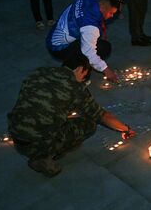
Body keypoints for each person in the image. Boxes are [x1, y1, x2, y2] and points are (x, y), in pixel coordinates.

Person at [7, 56, 136, 177]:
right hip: (38, 143)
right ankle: (43, 158)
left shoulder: (40, 72)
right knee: (89, 123)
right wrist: (126, 129)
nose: (83, 80)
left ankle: (44, 148)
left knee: (57, 115)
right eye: (85, 75)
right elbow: (102, 115)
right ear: (80, 69)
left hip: (16, 135)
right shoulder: (75, 89)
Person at [46, 0, 120, 82]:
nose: (111, 16)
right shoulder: (90, 27)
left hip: (52, 36)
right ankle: (70, 73)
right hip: (58, 47)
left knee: (95, 44)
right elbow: (89, 52)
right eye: (111, 13)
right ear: (103, 7)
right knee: (102, 48)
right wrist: (107, 71)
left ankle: (74, 64)